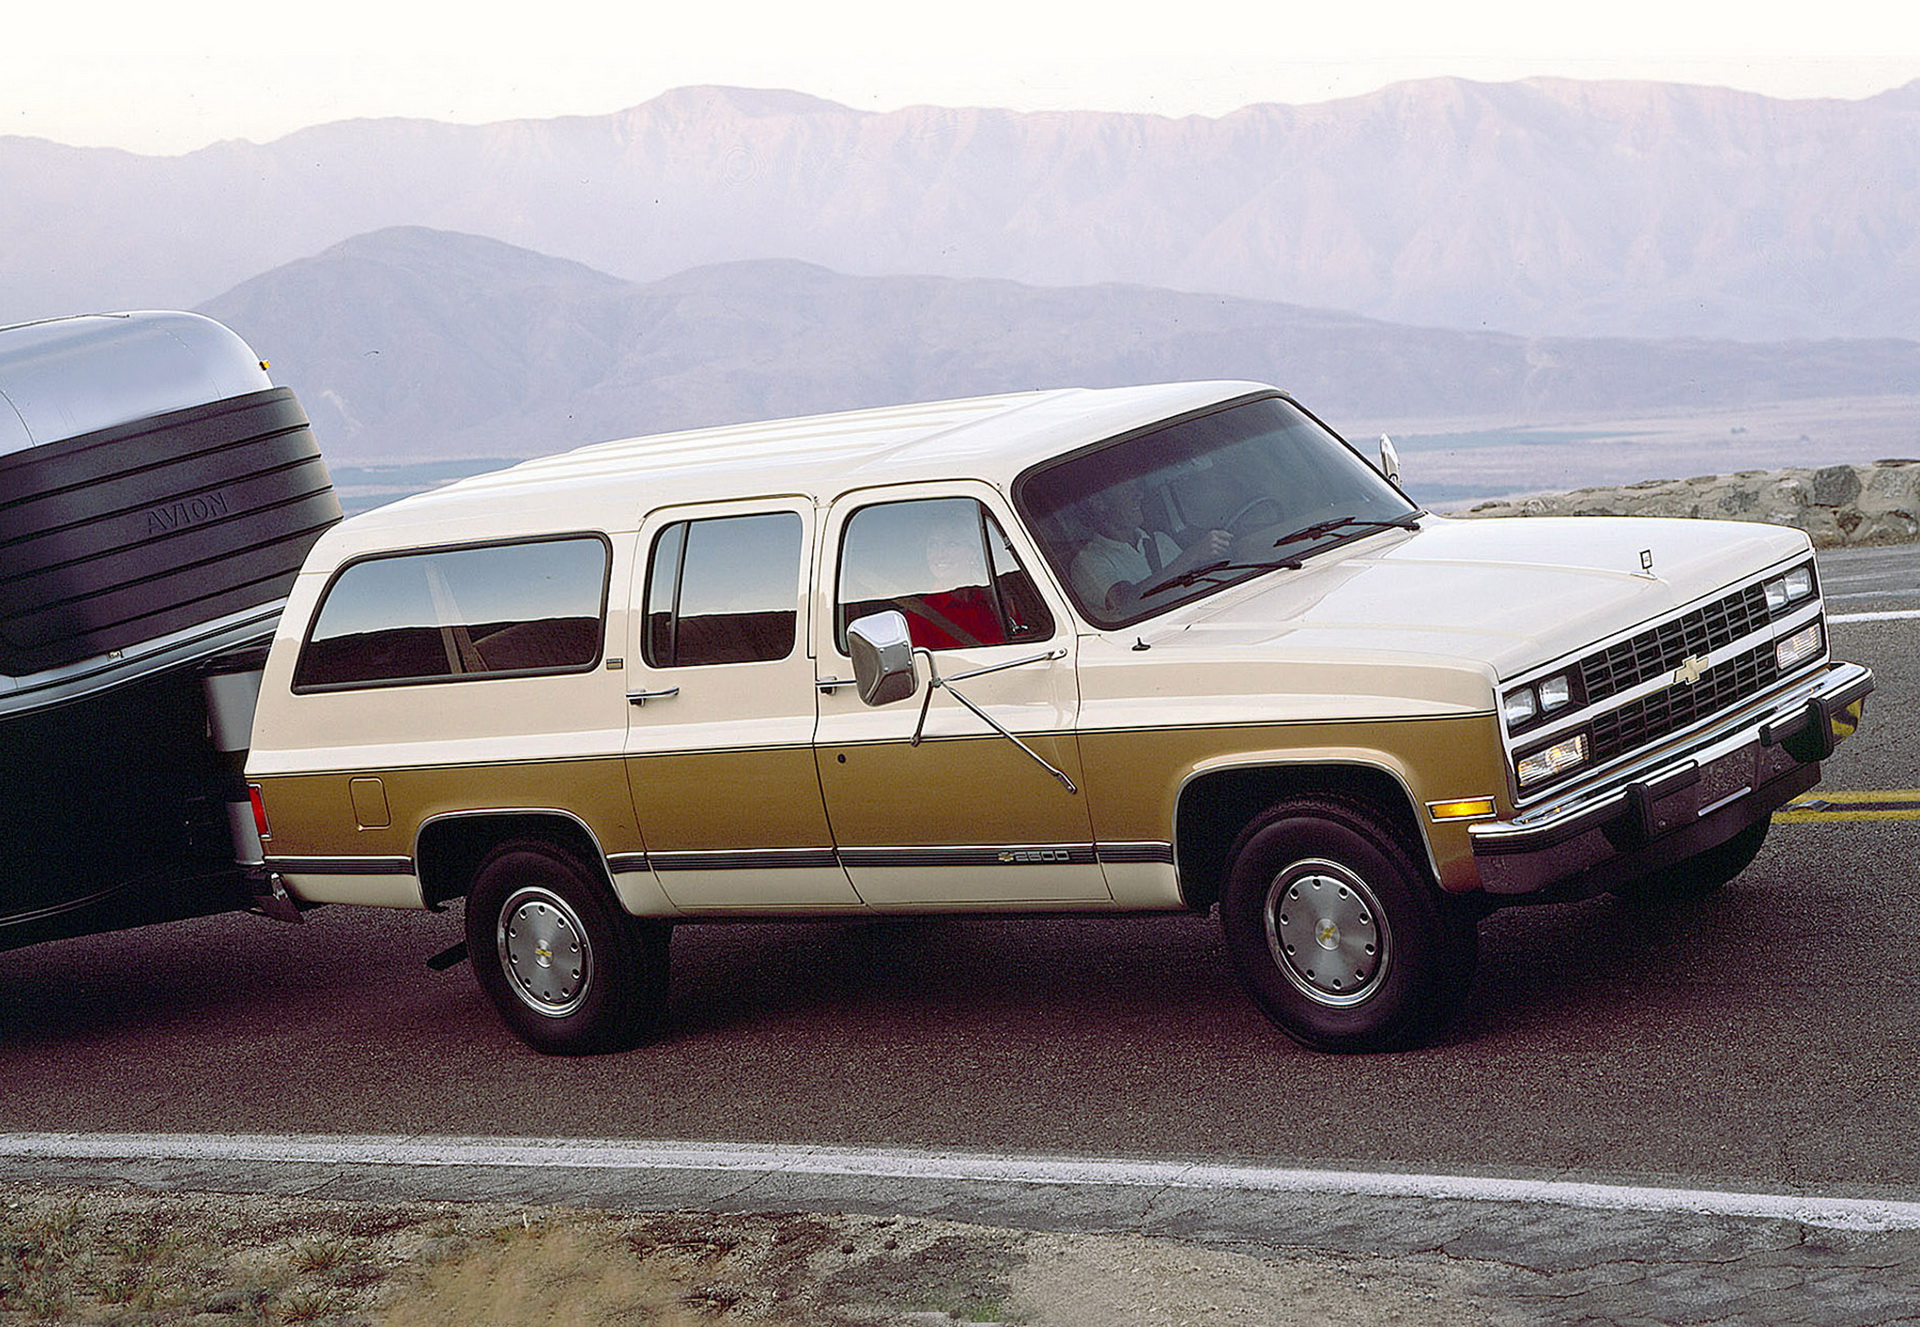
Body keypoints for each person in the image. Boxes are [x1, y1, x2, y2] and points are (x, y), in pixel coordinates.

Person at [1069, 481, 1231, 617]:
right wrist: (1192, 555)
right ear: (1099, 503)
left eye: (1137, 488)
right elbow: (1125, 603)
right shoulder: (1088, 561)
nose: (1139, 495)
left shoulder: (1160, 540)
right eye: (1126, 490)